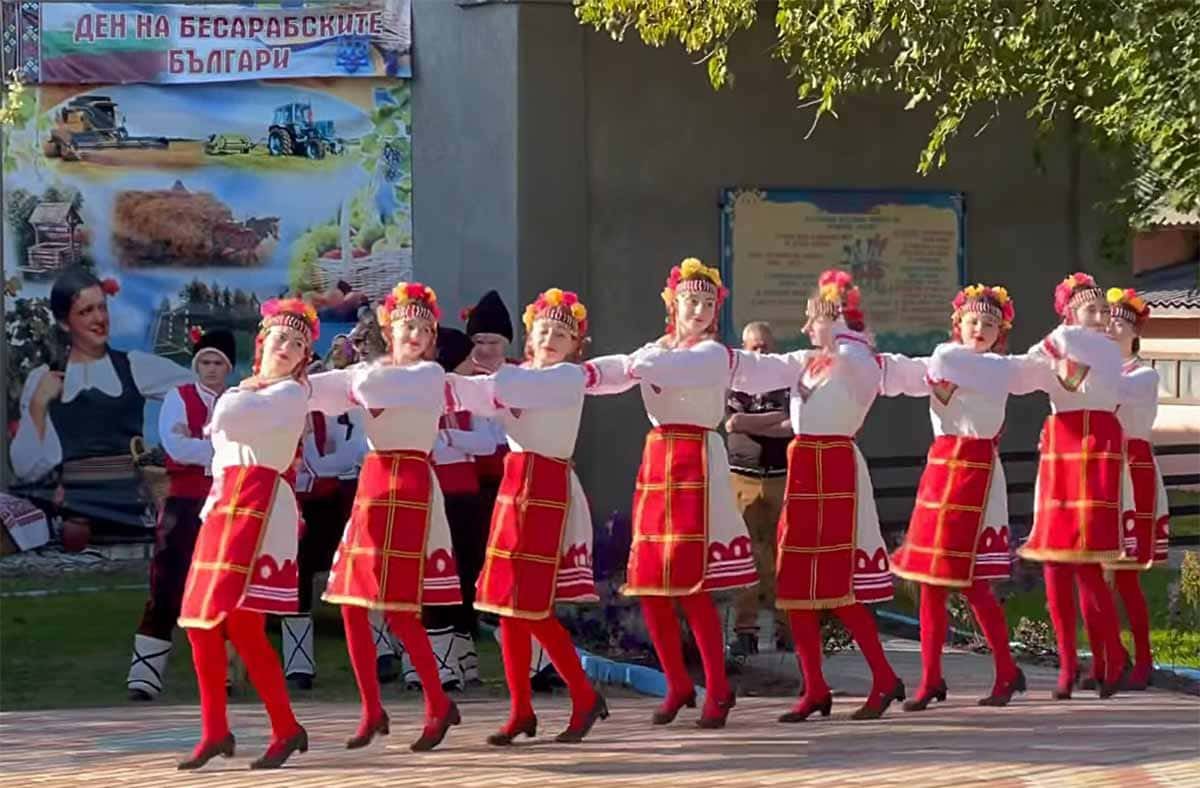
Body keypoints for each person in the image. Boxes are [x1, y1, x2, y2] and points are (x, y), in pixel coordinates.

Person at [446, 287, 628, 745]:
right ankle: (522, 709)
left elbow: (500, 390)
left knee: (528, 604)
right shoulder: (520, 378)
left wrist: (475, 372)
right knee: (506, 609)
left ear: (575, 345)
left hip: (544, 487)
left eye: (562, 332)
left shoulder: (566, 377)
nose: (550, 337)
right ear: (529, 335)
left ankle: (582, 695)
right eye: (544, 329)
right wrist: (438, 382)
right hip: (516, 485)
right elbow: (475, 396)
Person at [731, 269, 903, 722]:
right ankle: (816, 688)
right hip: (805, 467)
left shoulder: (858, 360)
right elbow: (761, 369)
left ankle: (883, 678)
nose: (806, 328)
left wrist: (846, 328)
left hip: (833, 470)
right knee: (794, 584)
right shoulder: (813, 360)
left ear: (835, 317)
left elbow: (866, 366)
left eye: (814, 318)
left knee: (834, 586)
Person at [600, 258, 758, 729]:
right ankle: (677, 683)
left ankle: (719, 689)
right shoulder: (656, 350)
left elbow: (650, 365)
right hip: (659, 461)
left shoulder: (709, 353)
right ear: (672, 302)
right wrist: (568, 377)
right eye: (692, 300)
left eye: (709, 303)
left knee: (693, 586)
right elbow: (616, 372)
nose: (701, 310)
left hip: (697, 460)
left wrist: (635, 364)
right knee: (650, 585)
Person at [308, 282, 463, 752]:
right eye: (406, 325)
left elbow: (369, 384)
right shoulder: (370, 372)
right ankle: (372, 708)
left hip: (408, 483)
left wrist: (347, 377)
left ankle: (437, 702)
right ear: (389, 329)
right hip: (373, 483)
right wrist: (278, 381)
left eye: (423, 327)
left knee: (397, 607)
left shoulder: (427, 375)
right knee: (352, 602)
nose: (415, 333)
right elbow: (315, 391)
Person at [176, 298, 316, 770]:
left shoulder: (292, 393)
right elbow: (221, 442)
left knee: (242, 624)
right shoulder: (250, 390)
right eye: (281, 337)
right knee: (202, 622)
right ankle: (218, 728)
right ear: (262, 342)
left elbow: (228, 418)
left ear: (303, 358)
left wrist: (236, 397)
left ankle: (283, 726)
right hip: (225, 502)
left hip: (260, 503)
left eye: (298, 344)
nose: (288, 347)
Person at [879, 285, 1029, 709]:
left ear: (1001, 332)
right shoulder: (940, 362)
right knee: (930, 583)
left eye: (990, 323)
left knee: (975, 584)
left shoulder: (999, 369)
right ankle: (931, 678)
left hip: (978, 474)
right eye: (973, 321)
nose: (980, 328)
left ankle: (1005, 669)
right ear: (958, 324)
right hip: (941, 470)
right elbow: (898, 374)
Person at [1014, 272, 1130, 700]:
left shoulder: (1102, 348)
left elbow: (1063, 351)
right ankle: (1068, 665)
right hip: (1061, 445)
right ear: (1068, 311)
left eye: (1103, 310)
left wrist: (1050, 346)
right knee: (1055, 563)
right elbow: (1023, 372)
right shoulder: (1058, 345)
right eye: (1091, 309)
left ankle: (1109, 659)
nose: (1101, 317)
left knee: (1088, 562)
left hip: (1096, 446)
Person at [11, 268, 193, 537]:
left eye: (101, 308)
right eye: (85, 311)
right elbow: (26, 469)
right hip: (75, 512)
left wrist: (181, 435)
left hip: (131, 509)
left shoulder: (134, 366)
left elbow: (198, 390)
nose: (99, 319)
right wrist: (39, 404)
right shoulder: (43, 379)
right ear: (64, 323)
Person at [126, 328, 235, 701]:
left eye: (217, 362)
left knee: (221, 586)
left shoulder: (237, 402)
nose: (209, 369)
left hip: (225, 504)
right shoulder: (179, 397)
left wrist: (208, 449)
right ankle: (144, 675)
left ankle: (222, 673)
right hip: (185, 503)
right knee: (167, 581)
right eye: (203, 362)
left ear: (228, 367)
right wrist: (221, 451)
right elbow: (177, 446)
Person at [1087, 287, 1168, 691]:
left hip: (1133, 471)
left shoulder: (1144, 375)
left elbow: (1109, 399)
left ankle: (1143, 661)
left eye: (1119, 322)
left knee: (1127, 575)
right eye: (1107, 320)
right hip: (1102, 469)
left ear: (1135, 332)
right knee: (1093, 573)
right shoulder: (1101, 372)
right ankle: (1104, 659)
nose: (1111, 327)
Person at [283, 387, 367, 690]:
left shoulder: (343, 414)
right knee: (295, 574)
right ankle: (298, 665)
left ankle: (382, 654)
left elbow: (339, 459)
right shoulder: (280, 411)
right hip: (290, 501)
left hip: (333, 503)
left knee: (360, 571)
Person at [426, 327, 494, 689]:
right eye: (468, 357)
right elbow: (425, 444)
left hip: (467, 495)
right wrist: (455, 443)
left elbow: (489, 442)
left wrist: (450, 438)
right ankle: (439, 666)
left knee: (467, 574)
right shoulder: (426, 394)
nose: (475, 362)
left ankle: (465, 662)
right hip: (435, 493)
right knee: (437, 575)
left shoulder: (474, 397)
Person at [725, 321, 791, 660]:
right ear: (744, 348)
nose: (761, 352)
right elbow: (733, 423)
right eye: (754, 347)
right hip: (743, 479)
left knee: (784, 553)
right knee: (748, 556)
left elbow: (793, 424)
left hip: (783, 477)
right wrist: (773, 419)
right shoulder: (734, 383)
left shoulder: (788, 382)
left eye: (766, 346)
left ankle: (786, 629)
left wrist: (755, 421)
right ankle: (746, 631)